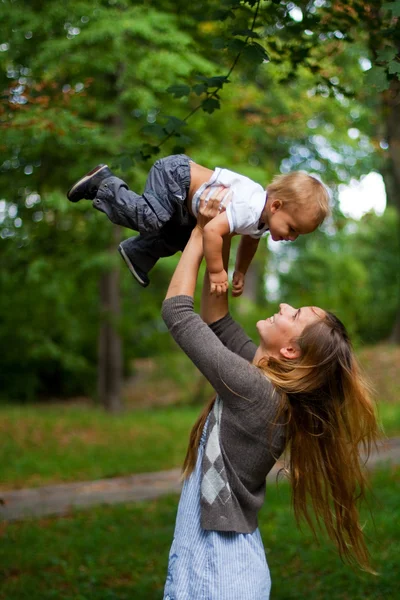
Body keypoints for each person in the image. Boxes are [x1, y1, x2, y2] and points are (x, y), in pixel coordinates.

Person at [160, 190, 378, 599]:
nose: (282, 304)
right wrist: (217, 242)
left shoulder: (257, 393)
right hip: (213, 564)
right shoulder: (263, 380)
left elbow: (178, 313)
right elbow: (218, 322)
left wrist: (197, 234)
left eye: (293, 315)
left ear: (291, 350)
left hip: (220, 574)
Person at [67, 154, 329, 295]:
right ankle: (104, 183)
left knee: (182, 236)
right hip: (176, 177)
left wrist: (241, 272)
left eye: (298, 235)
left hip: (185, 202)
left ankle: (137, 252)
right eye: (293, 228)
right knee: (151, 218)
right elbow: (213, 230)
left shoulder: (260, 221)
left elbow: (250, 241)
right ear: (276, 206)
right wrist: (218, 272)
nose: (292, 237)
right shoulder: (250, 206)